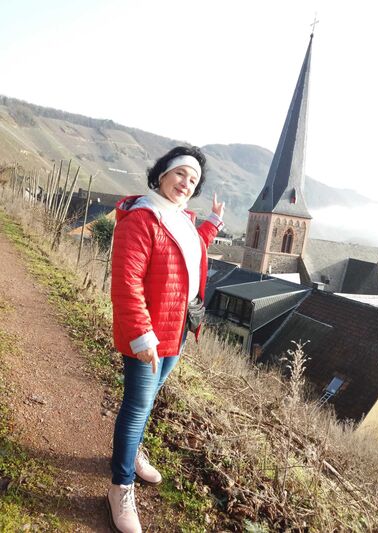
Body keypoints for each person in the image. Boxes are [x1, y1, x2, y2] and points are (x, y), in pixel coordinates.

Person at [107, 145, 225, 533]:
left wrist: (212, 223)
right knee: (137, 405)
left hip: (178, 328)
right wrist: (142, 336)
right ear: (161, 175)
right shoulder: (141, 218)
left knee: (150, 397)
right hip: (150, 335)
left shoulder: (182, 219)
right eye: (179, 174)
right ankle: (120, 486)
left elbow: (191, 249)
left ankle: (132, 454)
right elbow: (126, 283)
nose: (185, 183)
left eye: (193, 180)